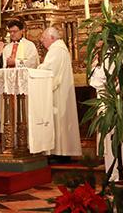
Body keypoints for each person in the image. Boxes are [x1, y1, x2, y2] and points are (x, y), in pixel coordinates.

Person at [38, 27, 82, 161]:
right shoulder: (59, 49)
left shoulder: (56, 50)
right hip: (60, 92)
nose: (42, 42)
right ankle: (61, 152)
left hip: (57, 94)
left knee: (58, 121)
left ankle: (60, 153)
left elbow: (49, 70)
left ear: (52, 38)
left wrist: (37, 69)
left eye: (44, 39)